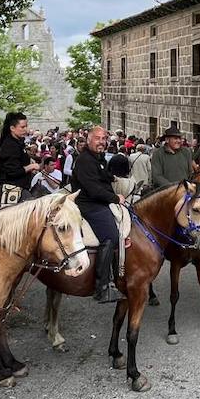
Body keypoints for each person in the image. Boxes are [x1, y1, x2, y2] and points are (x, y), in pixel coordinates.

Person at [74, 126, 124, 303]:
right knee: (110, 235)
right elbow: (94, 189)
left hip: (100, 201)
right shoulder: (84, 160)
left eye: (104, 138)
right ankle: (101, 286)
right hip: (89, 204)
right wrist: (115, 198)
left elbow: (103, 175)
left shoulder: (98, 158)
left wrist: (113, 179)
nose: (101, 142)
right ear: (88, 140)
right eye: (97, 138)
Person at [0, 111, 40, 195]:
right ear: (12, 128)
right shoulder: (9, 145)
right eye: (22, 127)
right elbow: (12, 171)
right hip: (12, 188)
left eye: (26, 126)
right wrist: (30, 167)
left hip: (22, 186)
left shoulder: (18, 142)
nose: (25, 129)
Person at [149, 125, 194, 192]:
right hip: (165, 193)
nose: (178, 141)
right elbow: (157, 176)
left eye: (179, 138)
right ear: (167, 140)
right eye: (175, 138)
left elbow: (190, 173)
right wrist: (172, 188)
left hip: (184, 191)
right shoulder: (158, 154)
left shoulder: (186, 152)